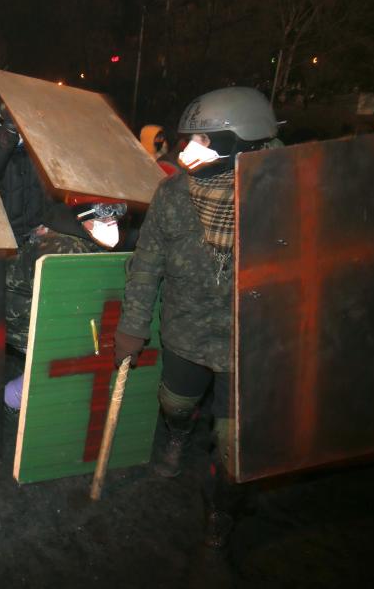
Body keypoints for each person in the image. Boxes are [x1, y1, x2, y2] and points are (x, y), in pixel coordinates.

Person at [114, 86, 280, 548]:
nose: (190, 149)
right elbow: (147, 262)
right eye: (190, 138)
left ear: (239, 141)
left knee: (233, 441)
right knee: (176, 404)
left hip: (248, 341)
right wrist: (133, 325)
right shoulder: (173, 193)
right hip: (186, 330)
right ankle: (176, 438)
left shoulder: (281, 193)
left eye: (204, 141)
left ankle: (224, 505)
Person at [2, 195, 128, 411]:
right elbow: (65, 310)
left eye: (114, 221)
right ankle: (16, 396)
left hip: (35, 309)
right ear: (83, 219)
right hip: (22, 318)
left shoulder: (76, 236)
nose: (111, 227)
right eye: (104, 221)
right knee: (66, 350)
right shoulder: (64, 248)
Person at [0, 102, 49, 245]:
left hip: (37, 234)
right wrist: (11, 132)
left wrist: (48, 222)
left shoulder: (41, 149)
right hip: (5, 235)